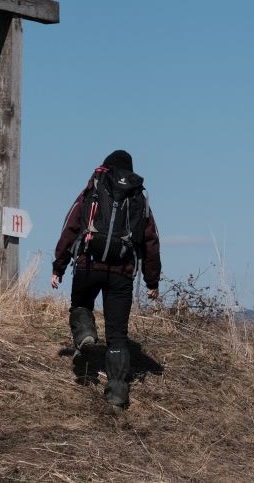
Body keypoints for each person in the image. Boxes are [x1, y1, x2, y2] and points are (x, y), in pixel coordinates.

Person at [50, 150, 161, 408]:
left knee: (81, 303)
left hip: (89, 265)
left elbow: (71, 226)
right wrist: (152, 282)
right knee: (118, 336)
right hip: (122, 272)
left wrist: (59, 266)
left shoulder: (94, 188)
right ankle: (117, 394)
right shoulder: (138, 197)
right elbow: (151, 242)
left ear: (106, 167)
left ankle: (85, 332)